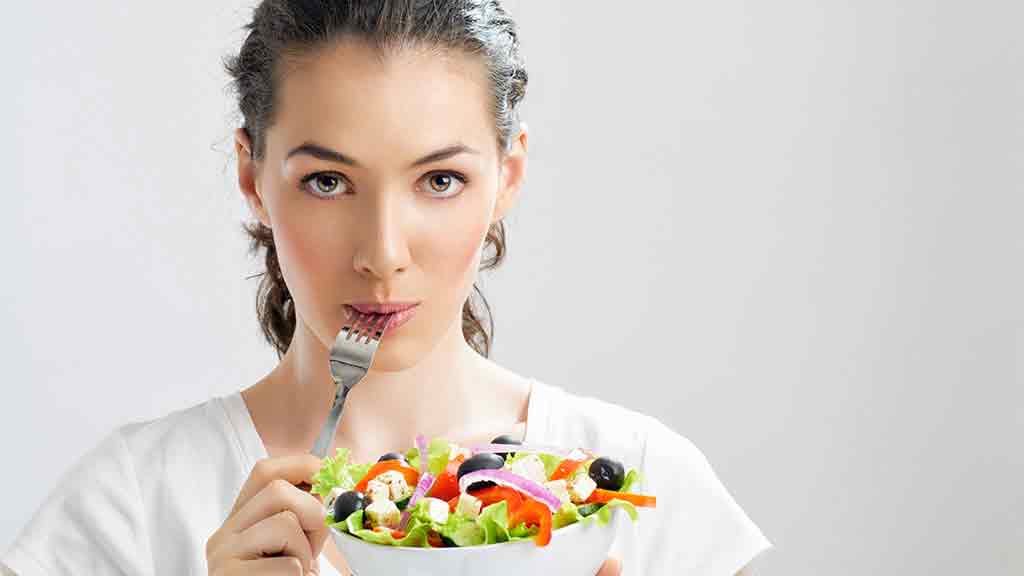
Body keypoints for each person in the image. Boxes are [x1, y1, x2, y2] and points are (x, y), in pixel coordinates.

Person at [1, 1, 770, 574]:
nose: (383, 252)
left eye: (440, 179)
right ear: (252, 177)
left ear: (508, 176)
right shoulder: (133, 503)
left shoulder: (641, 489)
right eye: (329, 181)